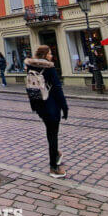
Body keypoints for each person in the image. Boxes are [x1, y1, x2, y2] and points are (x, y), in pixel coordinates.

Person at [25, 45, 68, 178]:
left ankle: (56, 154)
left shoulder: (30, 67)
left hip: (39, 105)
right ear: (44, 55)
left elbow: (30, 87)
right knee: (52, 136)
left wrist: (34, 105)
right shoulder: (49, 68)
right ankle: (54, 167)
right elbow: (57, 89)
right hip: (51, 106)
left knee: (50, 133)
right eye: (49, 53)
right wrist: (64, 107)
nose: (51, 56)